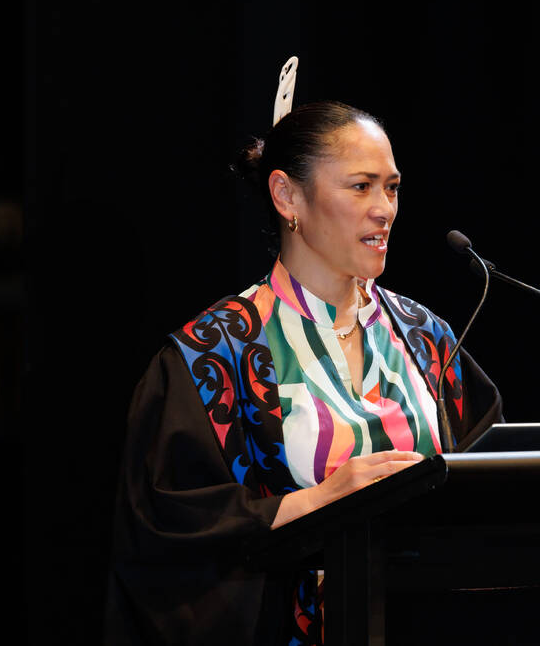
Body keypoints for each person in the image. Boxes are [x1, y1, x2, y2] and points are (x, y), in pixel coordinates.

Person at [104, 60, 503, 646]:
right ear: (287, 195)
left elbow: (486, 499)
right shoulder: (214, 355)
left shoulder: (427, 339)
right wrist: (321, 502)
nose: (385, 209)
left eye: (392, 187)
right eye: (360, 186)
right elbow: (167, 532)